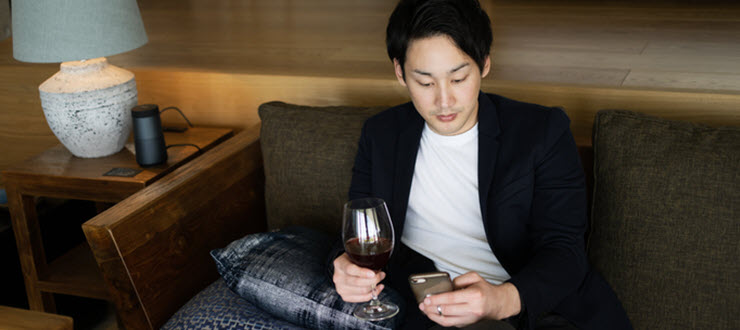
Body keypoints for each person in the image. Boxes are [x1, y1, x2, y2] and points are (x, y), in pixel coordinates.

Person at [332, 0, 631, 329]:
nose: (444, 101)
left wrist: (501, 300)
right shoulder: (382, 134)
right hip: (430, 310)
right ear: (400, 72)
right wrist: (345, 267)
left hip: (538, 312)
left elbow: (565, 252)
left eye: (458, 79)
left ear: (484, 64)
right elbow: (360, 228)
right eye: (426, 83)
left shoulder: (542, 131)